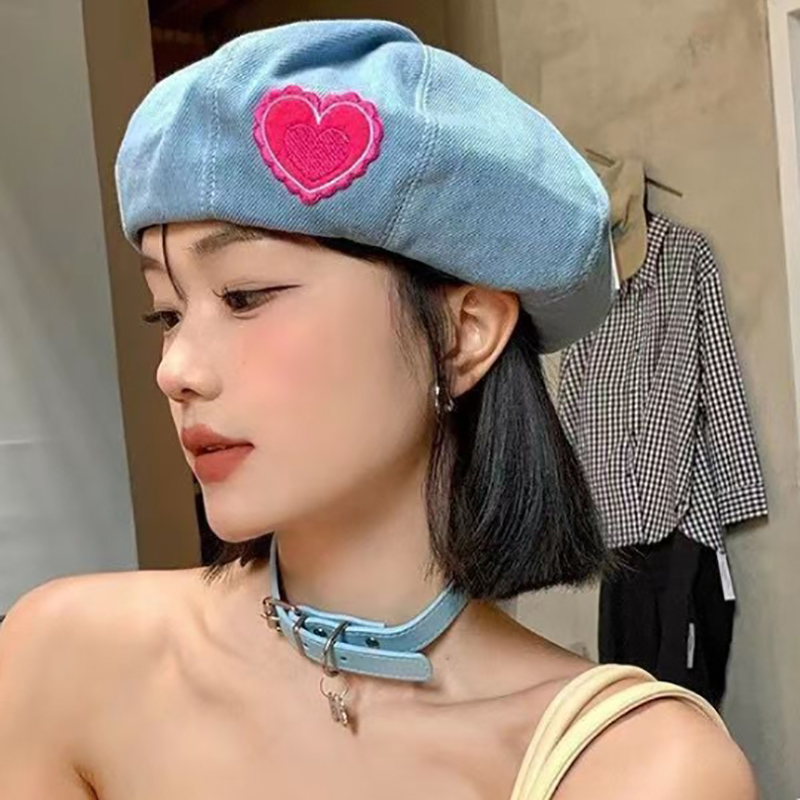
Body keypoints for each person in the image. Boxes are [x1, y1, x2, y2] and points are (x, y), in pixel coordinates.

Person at [0, 19, 756, 800]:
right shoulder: (63, 660)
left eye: (245, 296)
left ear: (462, 335)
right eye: (168, 312)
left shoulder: (638, 769)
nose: (175, 370)